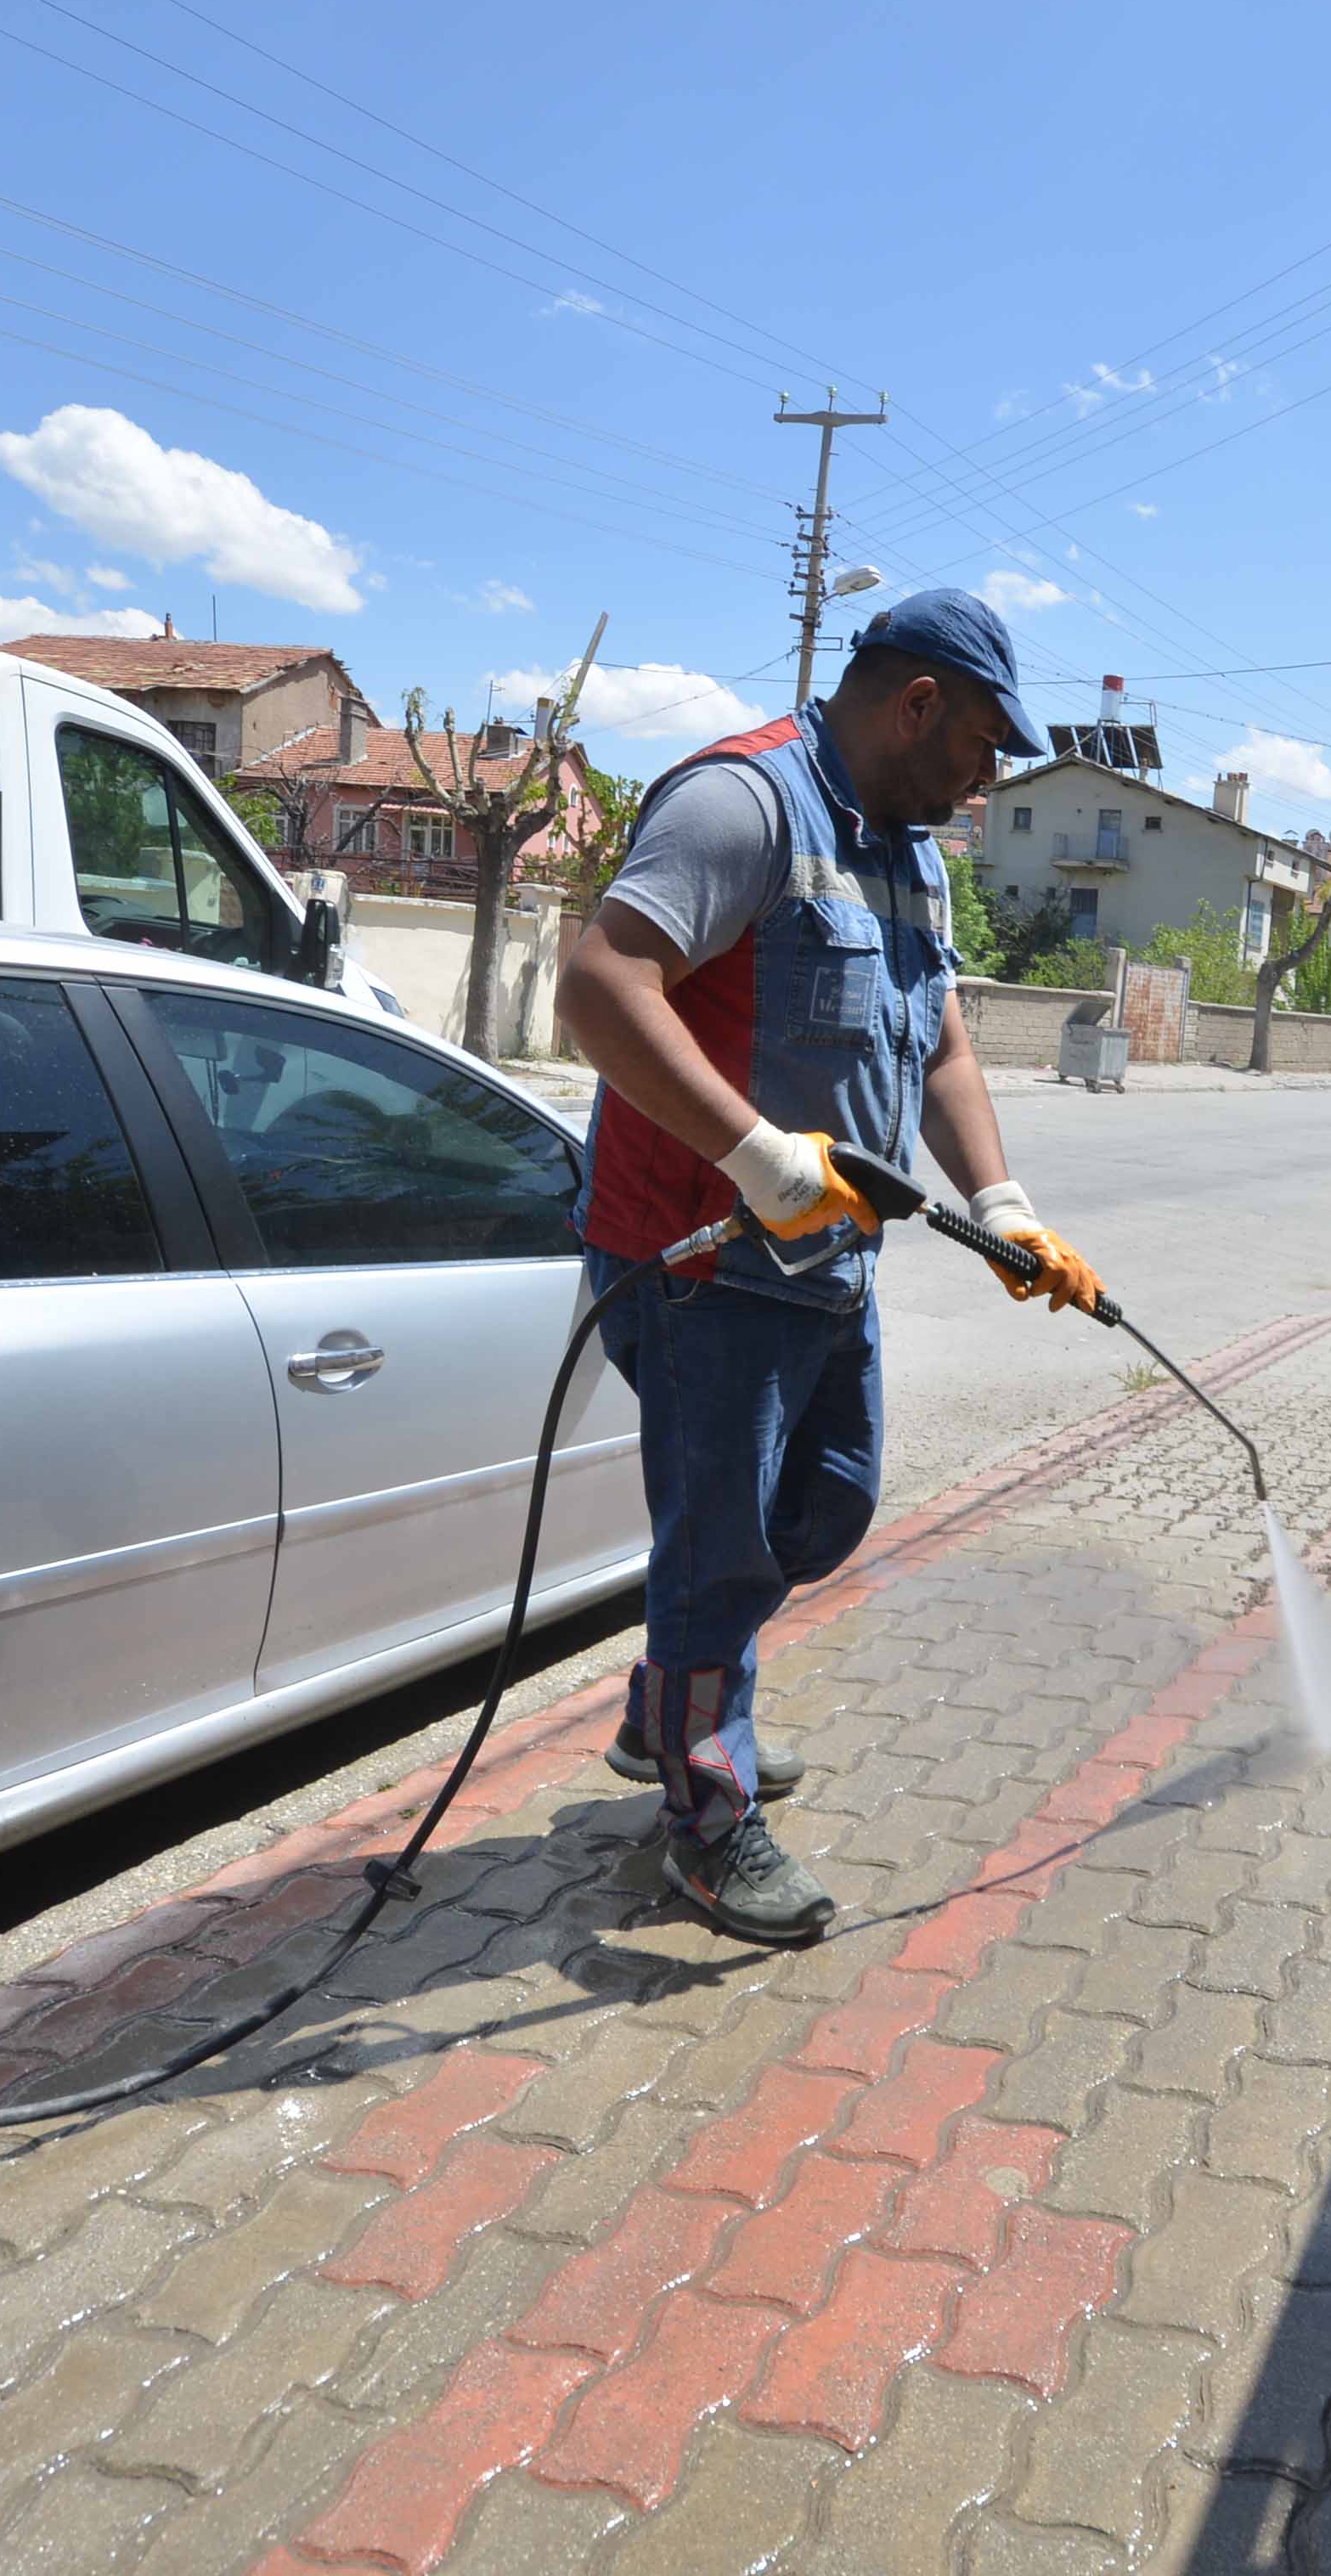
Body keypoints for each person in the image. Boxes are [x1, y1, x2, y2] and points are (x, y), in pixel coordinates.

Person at [558, 589, 1107, 1943]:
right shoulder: (742, 807)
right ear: (915, 704)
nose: (987, 781)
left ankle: (673, 1703)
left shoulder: (912, 855)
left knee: (826, 1512)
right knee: (724, 1545)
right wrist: (755, 1155)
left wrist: (1007, 1201)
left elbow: (944, 1045)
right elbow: (598, 986)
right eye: (982, 745)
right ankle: (705, 1814)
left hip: (827, 1262)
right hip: (698, 1263)